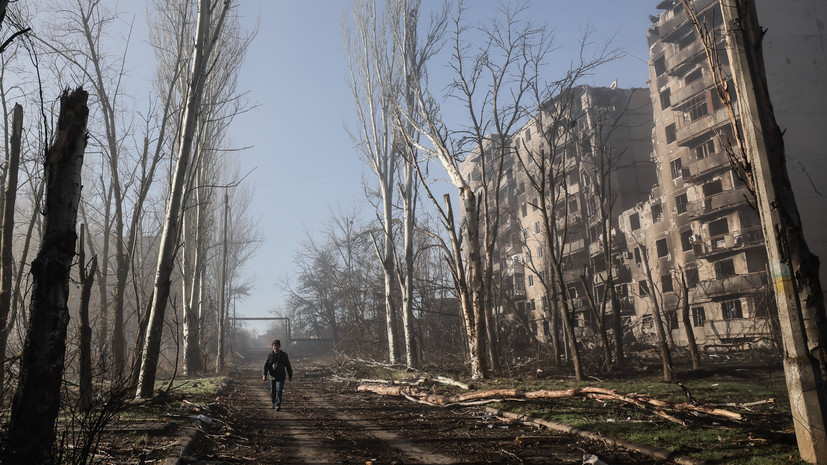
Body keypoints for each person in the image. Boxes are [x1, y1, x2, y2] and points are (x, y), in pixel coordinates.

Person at [262, 339, 293, 411]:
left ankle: (277, 405)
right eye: (274, 345)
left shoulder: (284, 355)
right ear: (272, 347)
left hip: (281, 376)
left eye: (277, 345)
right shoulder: (270, 356)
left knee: (279, 390)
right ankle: (274, 402)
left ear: (279, 346)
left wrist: (290, 375)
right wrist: (264, 375)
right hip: (272, 376)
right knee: (272, 391)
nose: (275, 347)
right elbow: (265, 366)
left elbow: (288, 365)